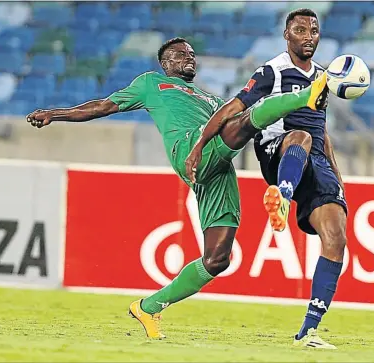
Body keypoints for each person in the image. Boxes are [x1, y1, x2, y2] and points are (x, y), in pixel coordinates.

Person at [25, 37, 329, 339]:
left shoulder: (209, 99)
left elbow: (236, 125)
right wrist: (55, 113)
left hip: (219, 169)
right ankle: (305, 94)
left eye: (193, 54)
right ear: (166, 62)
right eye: (182, 55)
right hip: (190, 151)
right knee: (248, 119)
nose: (190, 58)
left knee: (217, 259)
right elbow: (102, 106)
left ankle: (148, 306)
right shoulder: (151, 83)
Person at [186, 9, 346, 349]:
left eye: (313, 30)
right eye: (299, 29)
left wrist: (336, 171)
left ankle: (309, 331)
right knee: (299, 135)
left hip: (316, 162)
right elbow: (233, 106)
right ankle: (282, 198)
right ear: (286, 35)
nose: (307, 36)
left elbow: (323, 129)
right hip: (280, 154)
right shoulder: (272, 71)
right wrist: (200, 144)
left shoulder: (323, 76)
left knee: (336, 237)